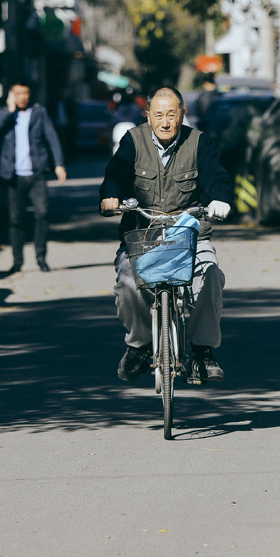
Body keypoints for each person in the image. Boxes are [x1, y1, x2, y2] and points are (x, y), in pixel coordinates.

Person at [100, 85, 232, 385]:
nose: (164, 122)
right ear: (147, 116)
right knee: (127, 283)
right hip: (141, 235)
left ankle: (202, 351)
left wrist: (220, 199)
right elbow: (115, 175)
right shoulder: (133, 140)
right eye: (158, 115)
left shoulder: (199, 142)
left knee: (210, 276)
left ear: (182, 114)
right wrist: (110, 196)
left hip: (189, 234)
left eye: (171, 114)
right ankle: (140, 346)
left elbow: (217, 177)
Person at [0, 83, 66, 273]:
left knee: (42, 213)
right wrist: (8, 110)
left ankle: (41, 257)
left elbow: (52, 138)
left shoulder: (39, 112)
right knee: (16, 219)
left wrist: (59, 164)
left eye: (25, 93)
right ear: (11, 95)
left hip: (36, 173)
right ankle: (17, 261)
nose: (23, 97)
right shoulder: (6, 114)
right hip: (14, 175)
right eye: (18, 93)